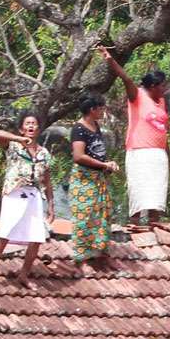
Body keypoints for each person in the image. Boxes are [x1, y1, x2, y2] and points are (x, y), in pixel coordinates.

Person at [98, 46, 170, 225]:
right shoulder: (137, 96)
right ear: (153, 86)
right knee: (139, 195)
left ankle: (154, 232)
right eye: (162, 85)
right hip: (140, 152)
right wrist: (110, 59)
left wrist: (168, 154)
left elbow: (163, 129)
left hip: (158, 154)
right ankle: (134, 231)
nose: (165, 88)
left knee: (156, 198)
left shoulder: (160, 101)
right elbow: (126, 78)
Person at [0, 111, 54, 290]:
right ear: (22, 128)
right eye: (28, 124)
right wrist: (19, 139)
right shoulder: (14, 146)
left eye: (34, 124)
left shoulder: (44, 153)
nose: (31, 126)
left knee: (37, 237)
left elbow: (47, 179)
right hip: (15, 193)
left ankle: (24, 274)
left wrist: (51, 205)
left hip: (34, 195)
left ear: (39, 128)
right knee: (5, 233)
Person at [69, 93, 119, 266]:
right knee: (84, 216)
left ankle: (99, 254)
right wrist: (103, 165)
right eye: (100, 108)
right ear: (92, 109)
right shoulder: (78, 129)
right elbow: (79, 156)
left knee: (102, 214)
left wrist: (107, 164)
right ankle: (81, 259)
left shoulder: (95, 126)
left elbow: (96, 151)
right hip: (84, 179)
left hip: (98, 177)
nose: (102, 111)